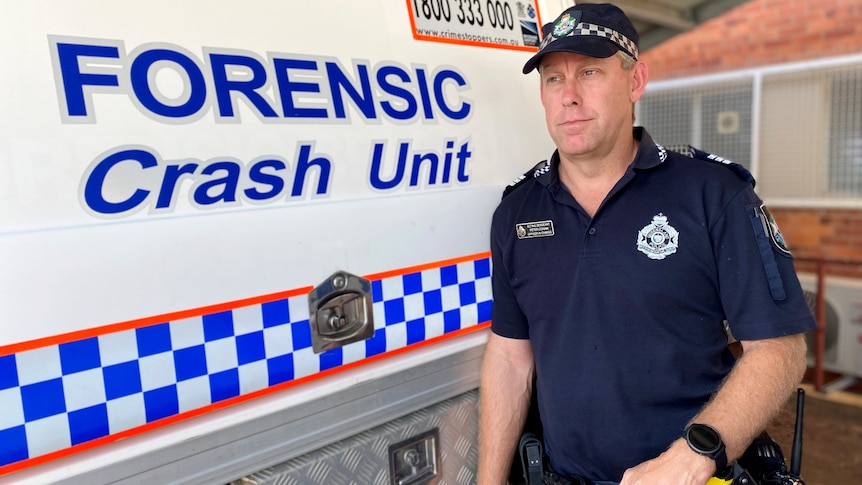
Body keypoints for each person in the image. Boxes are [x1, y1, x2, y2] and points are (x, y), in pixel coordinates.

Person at [477, 3, 816, 485]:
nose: (568, 97)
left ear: (635, 82)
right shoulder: (517, 213)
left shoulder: (712, 194)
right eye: (554, 79)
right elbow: (511, 355)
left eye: (589, 72)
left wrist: (694, 456)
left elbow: (779, 348)